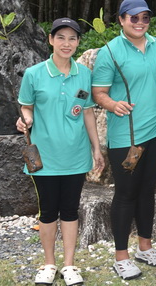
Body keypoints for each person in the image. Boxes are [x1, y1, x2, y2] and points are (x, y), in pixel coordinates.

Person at [91, 0, 156, 279]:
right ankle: (121, 256)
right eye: (134, 17)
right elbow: (98, 93)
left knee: (148, 190)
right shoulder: (110, 52)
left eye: (145, 18)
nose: (140, 23)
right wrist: (113, 104)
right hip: (126, 136)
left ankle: (145, 247)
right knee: (126, 194)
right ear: (121, 19)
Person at [16, 18, 104, 286]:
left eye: (72, 38)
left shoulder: (84, 74)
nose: (67, 43)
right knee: (47, 212)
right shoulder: (34, 74)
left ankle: (69, 265)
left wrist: (96, 148)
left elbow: (87, 113)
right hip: (44, 158)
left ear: (78, 42)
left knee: (70, 210)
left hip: (75, 156)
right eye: (61, 37)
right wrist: (25, 119)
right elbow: (27, 107)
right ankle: (48, 264)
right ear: (51, 40)